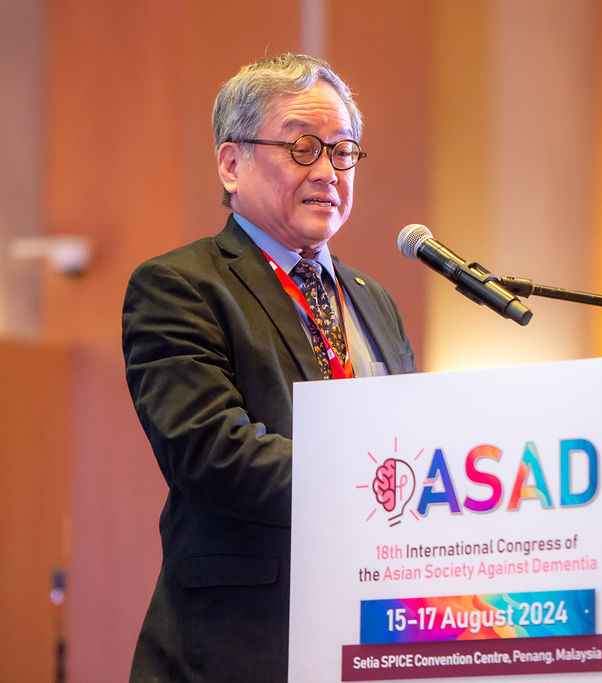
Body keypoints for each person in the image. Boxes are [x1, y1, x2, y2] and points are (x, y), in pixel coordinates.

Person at [122, 54, 417, 681]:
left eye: (343, 151)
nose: (328, 171)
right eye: (303, 148)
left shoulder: (374, 300)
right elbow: (211, 452)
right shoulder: (180, 286)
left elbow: (406, 446)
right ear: (232, 164)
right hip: (241, 644)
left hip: (369, 632)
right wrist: (371, 487)